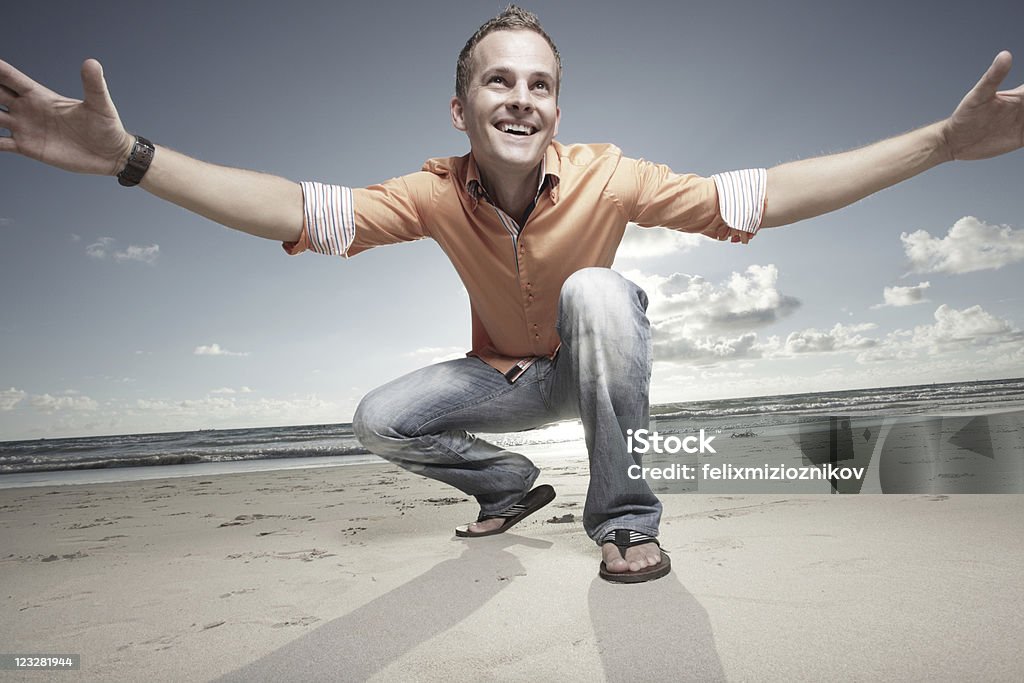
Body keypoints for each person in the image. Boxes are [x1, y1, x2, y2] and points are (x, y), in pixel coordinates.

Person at [1, 5, 1021, 583]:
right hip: (507, 381)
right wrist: (132, 158)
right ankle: (504, 485)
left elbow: (764, 192)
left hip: (594, 354)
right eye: (498, 81)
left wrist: (937, 142)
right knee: (380, 417)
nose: (520, 97)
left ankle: (624, 517)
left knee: (600, 290)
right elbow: (295, 209)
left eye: (538, 83)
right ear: (463, 105)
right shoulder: (430, 189)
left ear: (557, 107)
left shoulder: (614, 172)